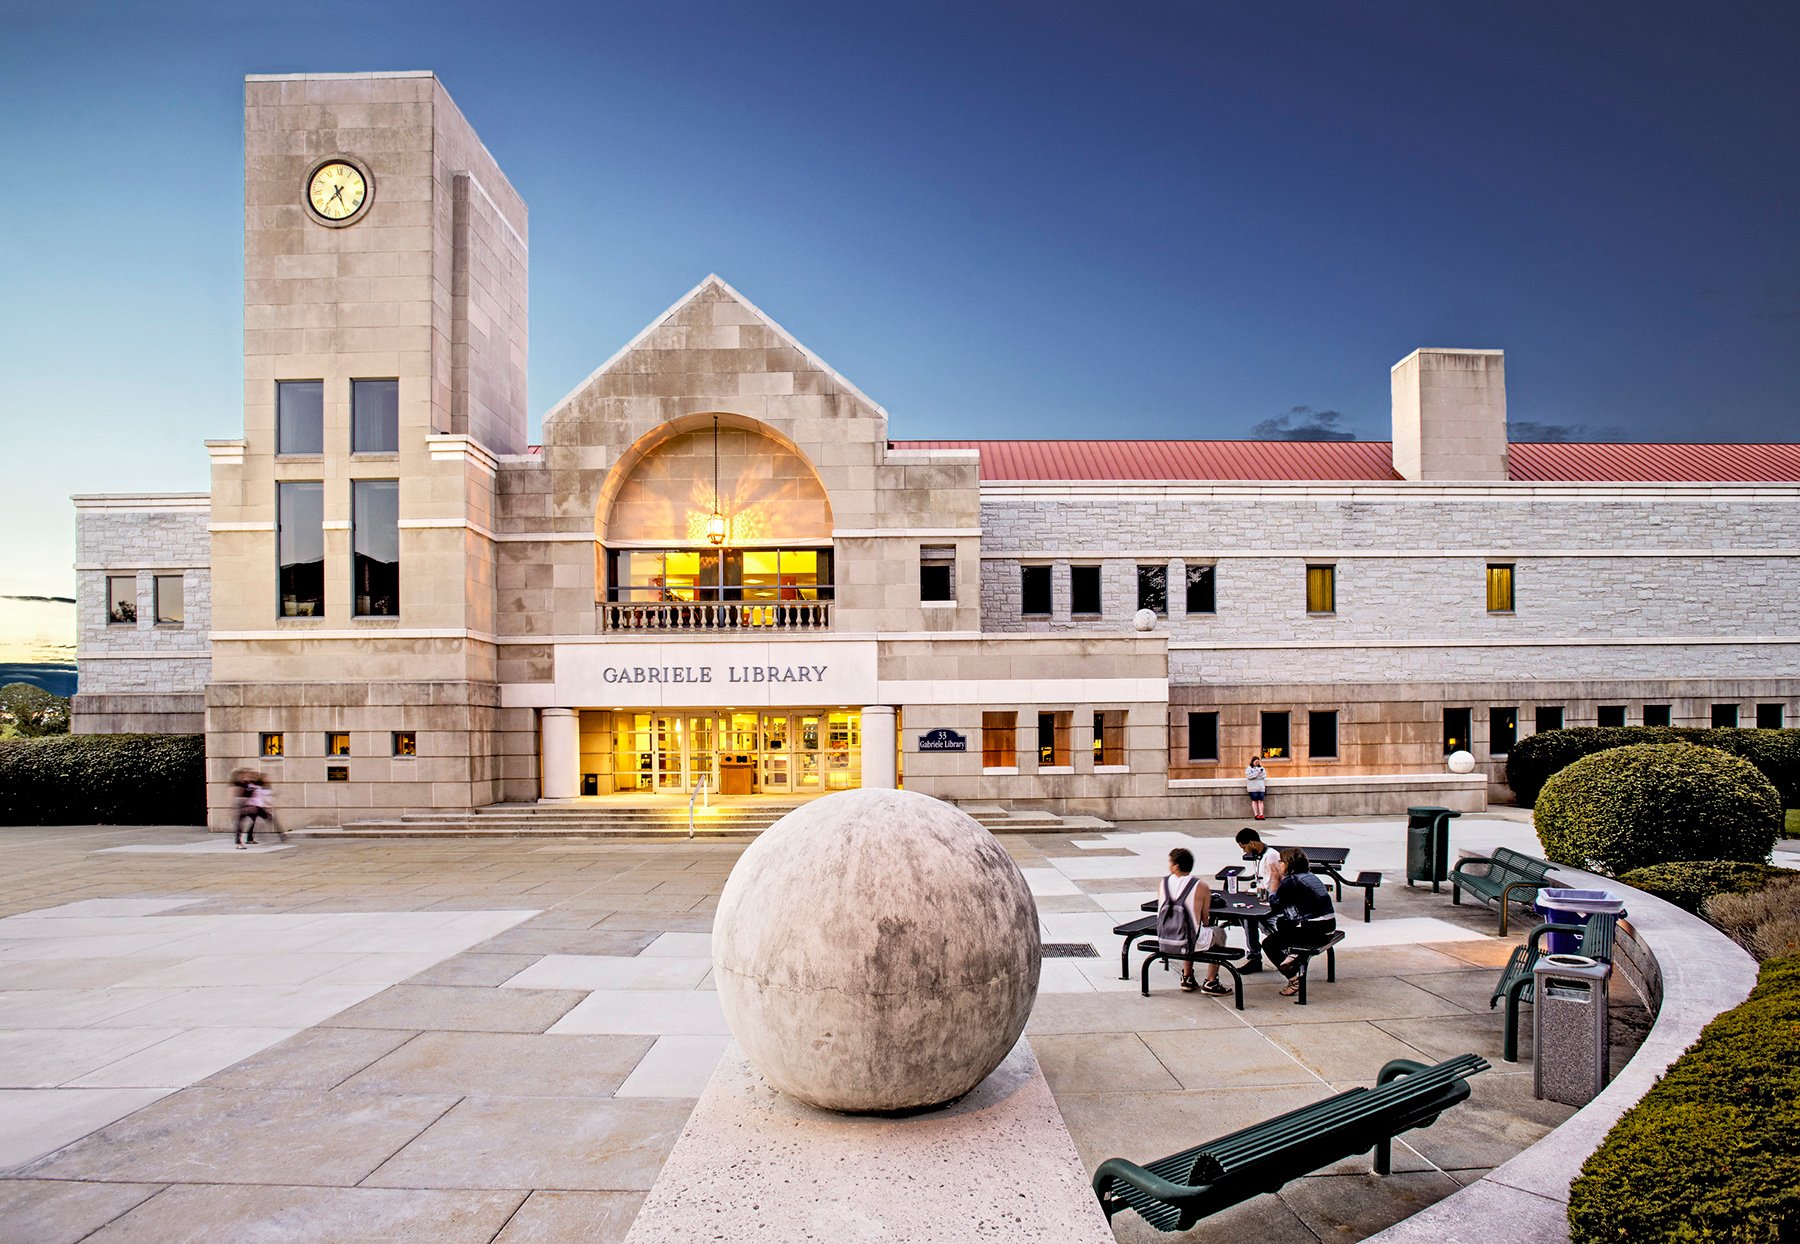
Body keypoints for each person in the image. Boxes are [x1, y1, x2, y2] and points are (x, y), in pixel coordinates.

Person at [1260, 847, 1337, 997]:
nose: (1279, 864)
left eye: (1281, 861)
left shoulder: (1292, 881)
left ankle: (1293, 978)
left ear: (1289, 864)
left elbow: (1275, 903)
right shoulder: (1309, 876)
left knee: (1269, 944)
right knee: (1283, 923)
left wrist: (1275, 880)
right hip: (1328, 927)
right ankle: (1292, 954)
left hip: (1314, 931)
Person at [1158, 847, 1231, 996]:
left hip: (1165, 939)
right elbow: (1205, 919)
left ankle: (1187, 976)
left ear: (1176, 866)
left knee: (1190, 931)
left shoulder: (1163, 883)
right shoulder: (1200, 886)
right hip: (1189, 942)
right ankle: (1211, 981)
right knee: (1219, 932)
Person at [232, 768, 258, 848]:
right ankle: (238, 842)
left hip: (248, 804)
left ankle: (249, 838)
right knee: (240, 823)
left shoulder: (247, 783)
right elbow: (238, 795)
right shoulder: (239, 784)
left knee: (252, 819)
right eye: (246, 774)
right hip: (242, 804)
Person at [1245, 756, 1268, 820]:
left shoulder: (1262, 768)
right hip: (1252, 788)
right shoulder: (1249, 768)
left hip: (1261, 787)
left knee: (1261, 801)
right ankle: (1256, 815)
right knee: (1254, 800)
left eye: (1258, 761)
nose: (1257, 763)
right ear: (1253, 761)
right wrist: (1257, 773)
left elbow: (1263, 776)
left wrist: (1255, 775)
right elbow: (1249, 776)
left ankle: (1261, 814)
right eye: (1256, 762)